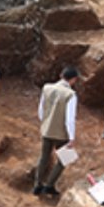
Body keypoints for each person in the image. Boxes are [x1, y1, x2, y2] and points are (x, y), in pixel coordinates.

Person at [34, 66, 80, 197]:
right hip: (62, 134)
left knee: (44, 157)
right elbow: (69, 119)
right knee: (64, 159)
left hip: (47, 130)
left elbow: (41, 109)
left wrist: (45, 123)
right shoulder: (71, 95)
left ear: (61, 75)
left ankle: (37, 185)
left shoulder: (47, 88)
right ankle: (49, 185)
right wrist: (72, 137)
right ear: (74, 80)